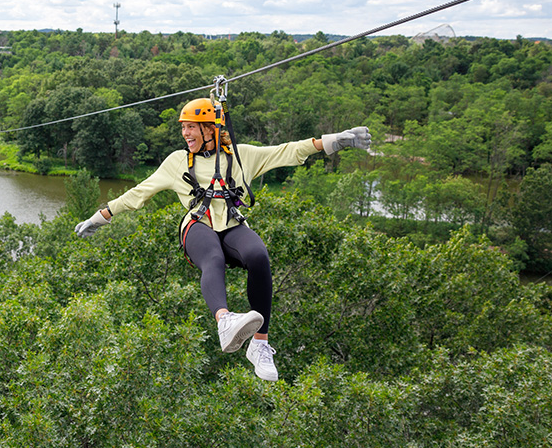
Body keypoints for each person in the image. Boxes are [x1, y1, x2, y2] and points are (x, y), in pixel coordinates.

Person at [74, 97, 369, 381]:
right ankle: (224, 320)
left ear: (209, 128)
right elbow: (139, 192)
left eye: (190, 126)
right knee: (212, 257)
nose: (184, 133)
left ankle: (260, 345)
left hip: (231, 226)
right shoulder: (177, 162)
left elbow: (287, 151)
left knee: (258, 256)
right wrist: (100, 217)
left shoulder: (241, 156)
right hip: (197, 227)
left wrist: (333, 141)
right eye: (183, 127)